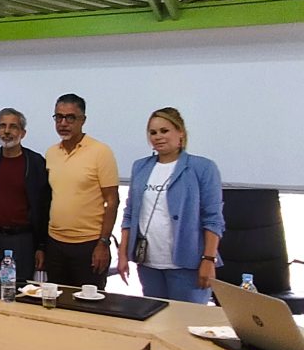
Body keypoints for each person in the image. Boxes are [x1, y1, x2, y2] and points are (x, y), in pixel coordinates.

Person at [118, 108, 224, 303]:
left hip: (187, 264)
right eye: (153, 132)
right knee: (156, 321)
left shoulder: (202, 167)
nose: (158, 137)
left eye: (164, 131)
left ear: (180, 132)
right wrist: (122, 254)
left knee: (186, 325)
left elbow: (213, 218)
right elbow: (130, 214)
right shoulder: (140, 167)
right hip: (148, 263)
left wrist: (209, 260)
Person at [44, 93, 120, 288]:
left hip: (89, 245)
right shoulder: (51, 153)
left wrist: (103, 243)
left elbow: (112, 201)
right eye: (58, 117)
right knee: (55, 303)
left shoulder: (100, 152)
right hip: (55, 244)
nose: (63, 123)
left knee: (89, 307)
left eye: (70, 118)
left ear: (82, 120)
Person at [0, 108, 50, 283]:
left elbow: (43, 207)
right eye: (2, 126)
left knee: (20, 291)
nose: (7, 131)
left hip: (23, 241)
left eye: (13, 127)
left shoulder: (35, 163)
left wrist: (41, 247)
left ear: (23, 132)